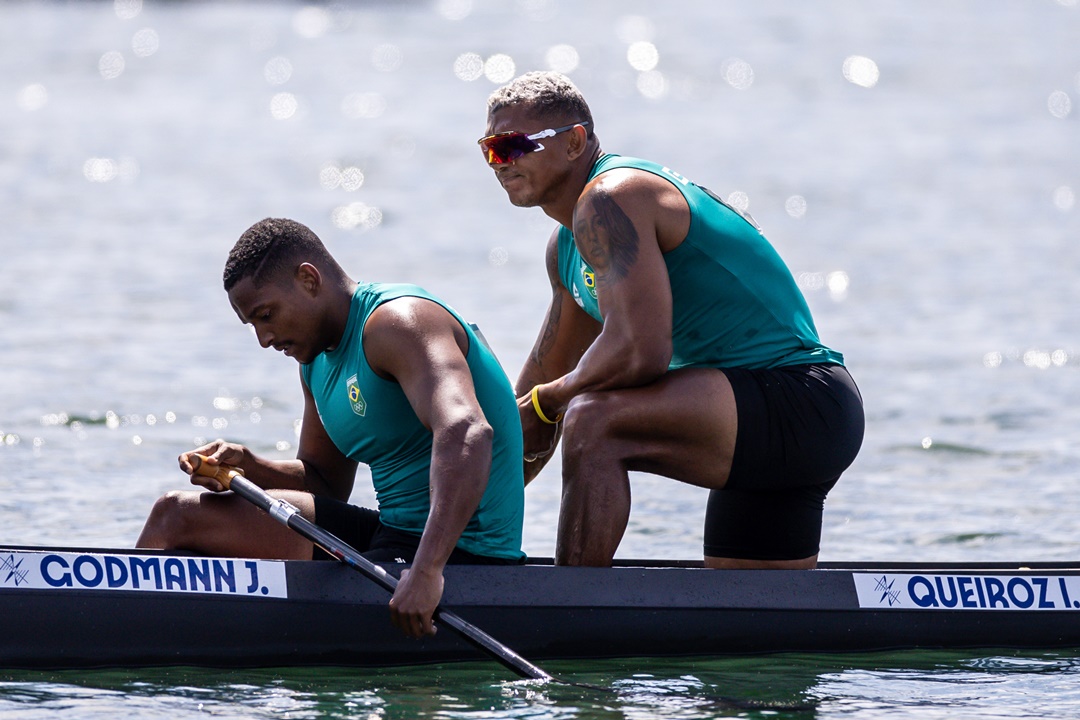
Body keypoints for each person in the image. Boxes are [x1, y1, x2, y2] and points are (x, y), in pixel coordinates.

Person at [478, 71, 864, 569]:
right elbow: (530, 403)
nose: (500, 163)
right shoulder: (567, 248)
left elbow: (639, 353)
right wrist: (447, 535)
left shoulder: (610, 198)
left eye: (514, 145)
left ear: (575, 142)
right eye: (491, 150)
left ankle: (575, 607)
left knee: (593, 422)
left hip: (798, 400)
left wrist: (550, 403)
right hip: (753, 419)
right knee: (750, 626)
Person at [137, 217, 525, 638]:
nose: (264, 339)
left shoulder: (396, 323)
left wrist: (428, 570)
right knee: (173, 516)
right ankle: (144, 634)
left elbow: (468, 431)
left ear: (308, 279)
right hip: (392, 535)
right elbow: (324, 483)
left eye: (267, 315)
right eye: (252, 325)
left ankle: (141, 641)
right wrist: (250, 467)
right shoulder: (314, 363)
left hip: (463, 554)